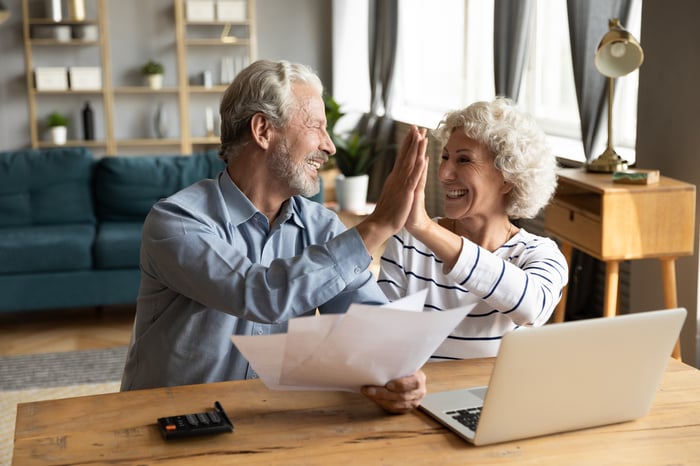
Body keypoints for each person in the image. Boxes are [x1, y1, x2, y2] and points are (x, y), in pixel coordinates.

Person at [120, 59, 429, 414]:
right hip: (168, 423)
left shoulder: (321, 227)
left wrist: (397, 371)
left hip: (264, 419)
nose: (329, 147)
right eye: (316, 127)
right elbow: (260, 295)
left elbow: (366, 322)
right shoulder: (177, 221)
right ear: (263, 130)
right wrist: (376, 227)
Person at [378, 97, 568, 360]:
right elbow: (381, 339)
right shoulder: (409, 243)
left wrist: (425, 228)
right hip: (420, 395)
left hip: (498, 398)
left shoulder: (539, 254)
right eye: (445, 157)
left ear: (507, 179)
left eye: (464, 160)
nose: (444, 173)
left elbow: (532, 308)